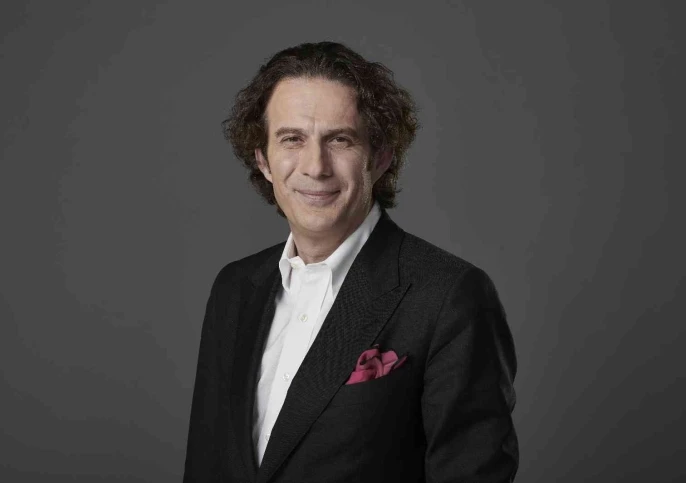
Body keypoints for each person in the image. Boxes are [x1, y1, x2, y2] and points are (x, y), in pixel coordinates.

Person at [183, 41, 518, 483]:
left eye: (339, 140)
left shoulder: (449, 296)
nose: (315, 166)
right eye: (292, 139)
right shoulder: (234, 288)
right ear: (263, 160)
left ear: (380, 157)